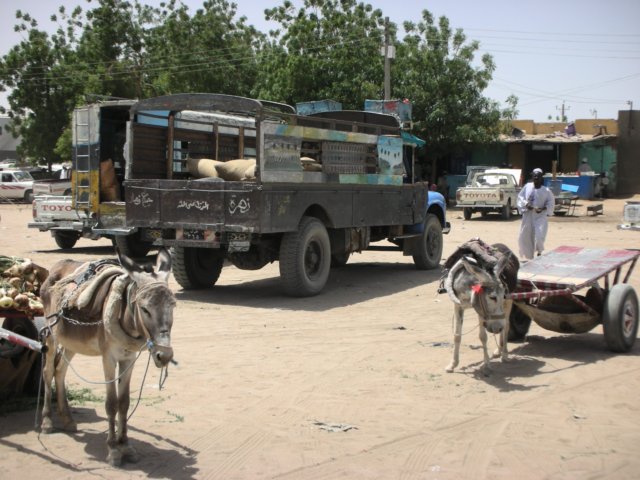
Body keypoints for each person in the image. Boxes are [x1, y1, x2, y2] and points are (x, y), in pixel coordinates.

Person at [517, 168, 555, 259]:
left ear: (541, 178)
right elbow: (520, 198)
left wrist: (543, 208)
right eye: (534, 177)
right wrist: (526, 205)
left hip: (540, 216)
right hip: (528, 215)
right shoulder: (527, 186)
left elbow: (551, 202)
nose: (536, 178)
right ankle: (530, 256)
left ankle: (539, 251)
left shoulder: (546, 191)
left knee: (539, 235)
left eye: (538, 177)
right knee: (526, 235)